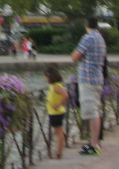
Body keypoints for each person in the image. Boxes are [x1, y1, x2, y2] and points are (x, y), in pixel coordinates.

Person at [71, 16, 106, 155]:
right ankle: (94, 142)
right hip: (97, 78)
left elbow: (74, 57)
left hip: (87, 79)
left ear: (86, 25)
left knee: (92, 112)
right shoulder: (100, 38)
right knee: (95, 109)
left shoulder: (88, 38)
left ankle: (94, 144)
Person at [44, 65, 69, 159]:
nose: (45, 79)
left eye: (46, 77)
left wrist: (58, 104)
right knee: (59, 132)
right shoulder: (53, 86)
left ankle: (59, 153)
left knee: (58, 133)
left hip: (56, 112)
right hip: (53, 112)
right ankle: (61, 143)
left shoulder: (56, 87)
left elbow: (65, 95)